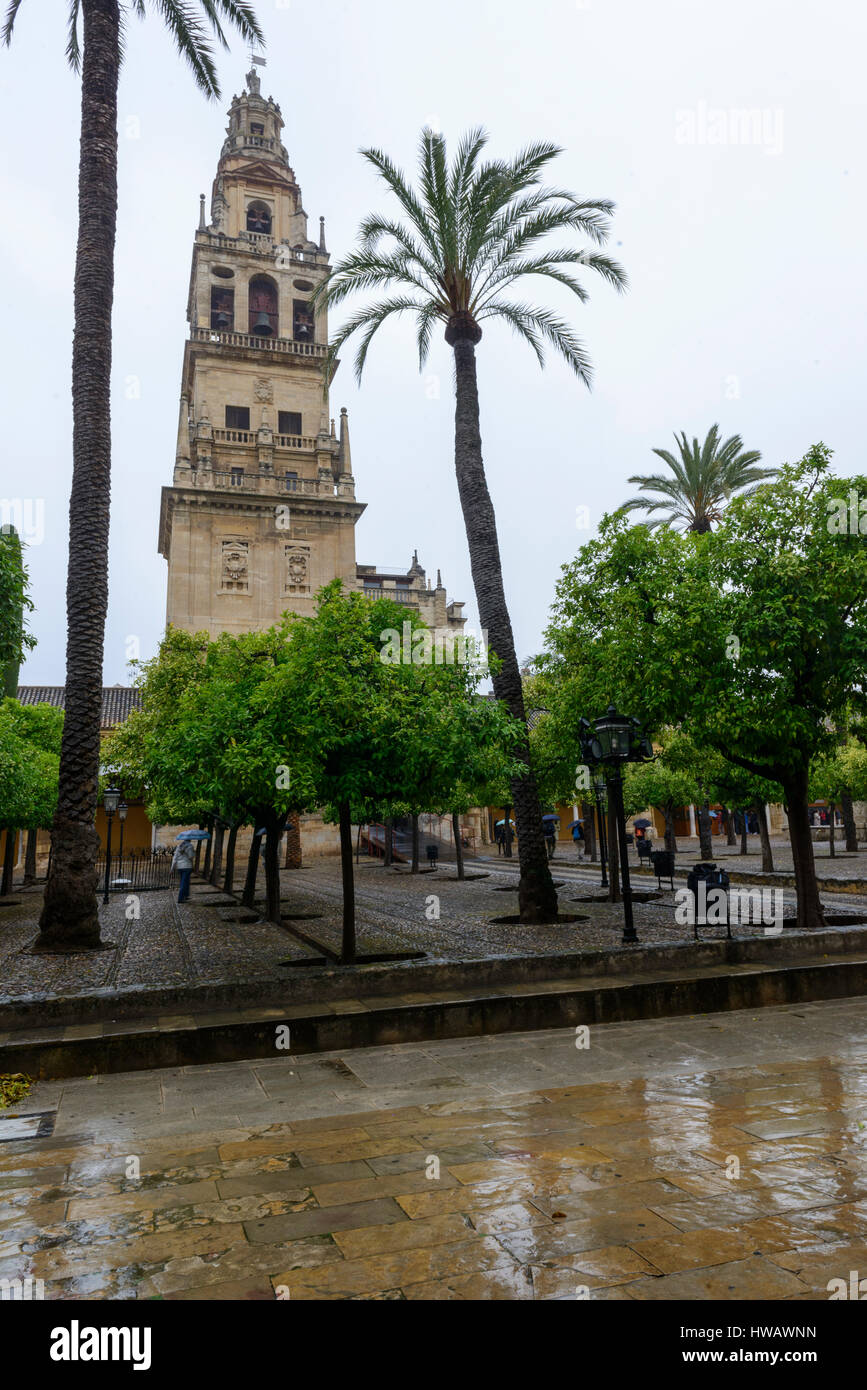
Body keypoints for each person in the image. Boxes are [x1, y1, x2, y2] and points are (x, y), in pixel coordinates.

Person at [172, 837, 196, 903]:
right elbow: (191, 856)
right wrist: (194, 853)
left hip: (179, 867)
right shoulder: (190, 846)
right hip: (187, 866)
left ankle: (186, 895)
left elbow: (175, 857)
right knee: (184, 882)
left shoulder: (179, 846)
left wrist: (172, 867)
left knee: (186, 881)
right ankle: (180, 898)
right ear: (190, 840)